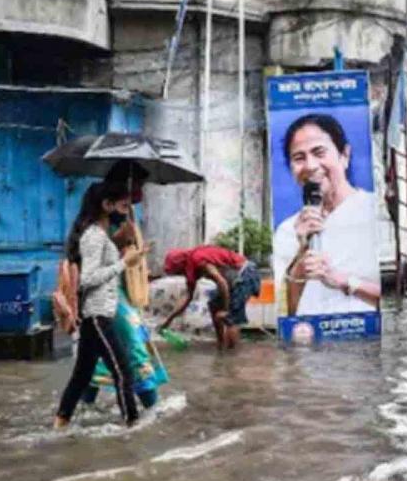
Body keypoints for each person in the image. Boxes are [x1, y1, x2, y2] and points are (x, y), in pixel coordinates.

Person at [54, 180, 149, 429]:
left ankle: (60, 424)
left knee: (82, 376)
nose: (126, 211)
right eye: (123, 206)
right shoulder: (94, 236)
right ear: (106, 205)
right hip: (97, 316)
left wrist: (131, 257)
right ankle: (132, 426)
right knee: (123, 372)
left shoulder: (101, 236)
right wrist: (123, 264)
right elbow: (88, 279)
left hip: (96, 315)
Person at [272, 113, 381, 316]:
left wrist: (345, 281)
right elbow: (288, 312)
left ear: (344, 155)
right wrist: (302, 252)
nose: (311, 166)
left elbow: (396, 299)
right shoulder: (288, 230)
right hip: (309, 340)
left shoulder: (376, 211)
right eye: (299, 158)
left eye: (319, 152)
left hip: (364, 340)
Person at [84, 163, 169, 409]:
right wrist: (117, 241)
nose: (141, 191)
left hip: (120, 292)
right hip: (107, 294)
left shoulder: (125, 216)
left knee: (102, 348)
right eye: (139, 185)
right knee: (133, 345)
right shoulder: (100, 216)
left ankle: (78, 410)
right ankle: (152, 408)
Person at [159, 245, 260, 350]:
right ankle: (220, 346)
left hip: (246, 273)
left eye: (177, 271)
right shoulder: (191, 270)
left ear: (180, 265)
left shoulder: (198, 260)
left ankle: (230, 358)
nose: (179, 274)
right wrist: (168, 321)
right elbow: (187, 299)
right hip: (232, 280)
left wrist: (225, 310)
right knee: (213, 305)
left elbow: (222, 282)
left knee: (231, 318)